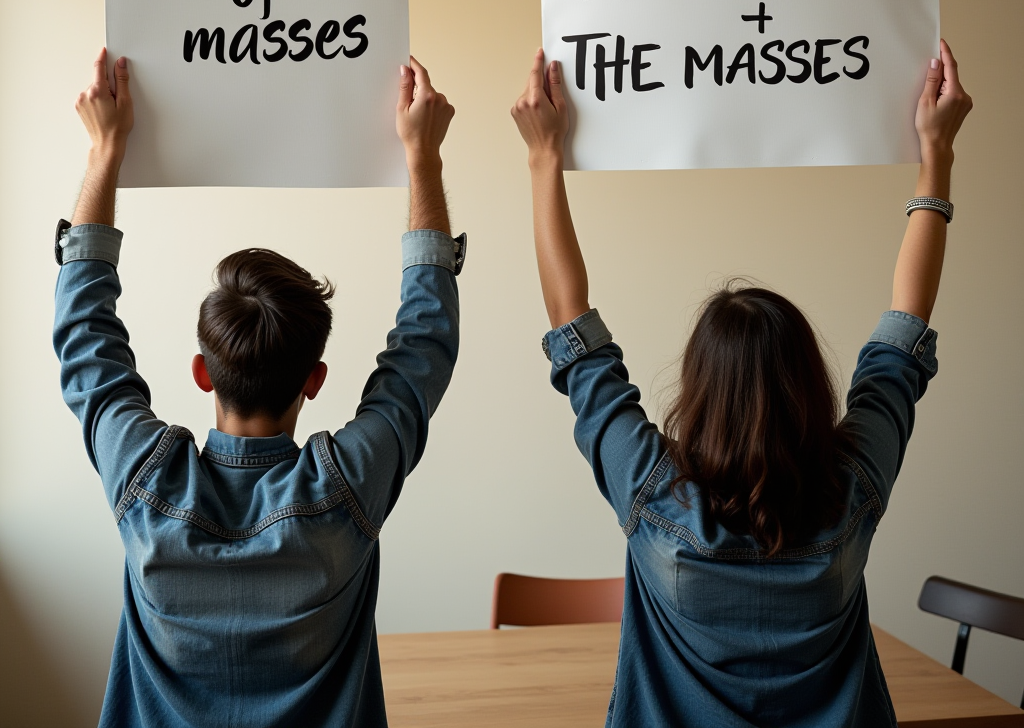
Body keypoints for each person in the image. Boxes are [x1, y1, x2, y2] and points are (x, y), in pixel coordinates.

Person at [511, 39, 973, 728]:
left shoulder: (650, 490)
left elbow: (573, 333)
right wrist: (936, 155)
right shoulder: (852, 489)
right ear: (811, 386)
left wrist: (544, 157)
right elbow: (904, 333)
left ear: (699, 393)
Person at [53, 49, 465, 728]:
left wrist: (105, 151)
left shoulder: (144, 481)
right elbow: (425, 346)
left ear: (202, 372)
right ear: (316, 380)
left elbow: (83, 337)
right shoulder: (348, 489)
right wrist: (422, 159)